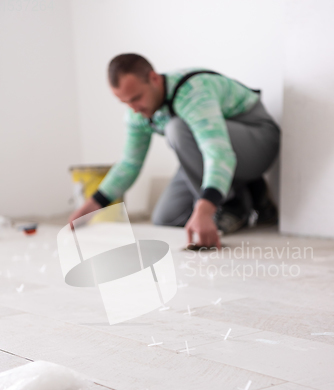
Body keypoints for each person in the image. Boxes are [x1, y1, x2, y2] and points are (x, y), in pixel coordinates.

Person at [69, 53, 280, 249]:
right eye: (125, 102)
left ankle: (233, 205)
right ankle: (252, 191)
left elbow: (219, 153)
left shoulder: (192, 92)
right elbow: (129, 164)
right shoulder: (137, 112)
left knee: (176, 128)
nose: (134, 108)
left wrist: (205, 210)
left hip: (258, 143)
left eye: (136, 98)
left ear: (154, 78)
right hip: (217, 152)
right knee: (165, 219)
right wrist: (88, 209)